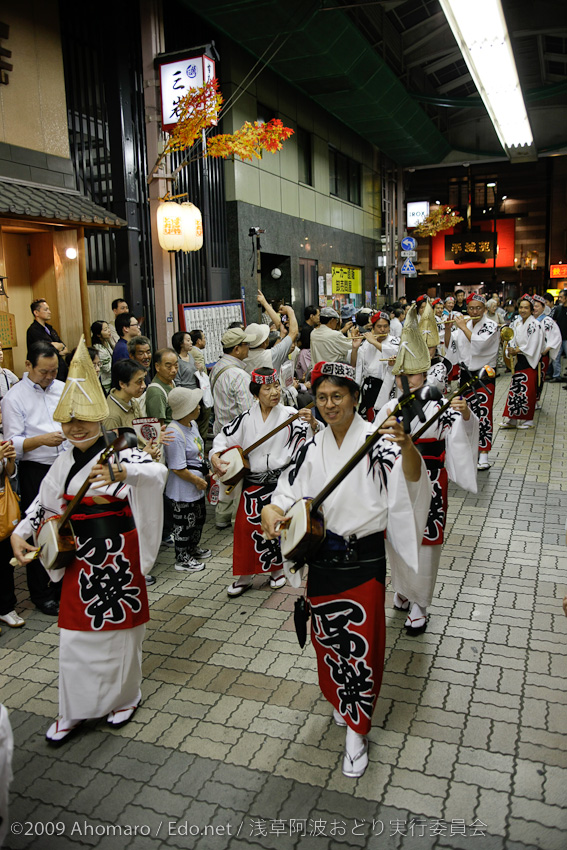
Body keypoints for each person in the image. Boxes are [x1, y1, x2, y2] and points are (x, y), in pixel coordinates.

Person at [261, 360, 430, 779]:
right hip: (321, 559)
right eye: (322, 397)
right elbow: (287, 490)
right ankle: (340, 700)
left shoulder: (378, 441)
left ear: (355, 398)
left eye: (338, 396)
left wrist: (408, 445)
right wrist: (273, 508)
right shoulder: (310, 447)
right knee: (328, 641)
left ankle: (358, 730)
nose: (330, 404)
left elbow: (411, 479)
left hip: (362, 560)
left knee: (361, 647)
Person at [10, 338, 167, 745]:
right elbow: (44, 508)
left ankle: (125, 697)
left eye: (84, 419)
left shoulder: (122, 452)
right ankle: (74, 710)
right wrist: (20, 533)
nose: (76, 427)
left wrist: (124, 475)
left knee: (124, 635)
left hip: (119, 556)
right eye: (68, 421)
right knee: (76, 637)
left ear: (100, 419)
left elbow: (156, 476)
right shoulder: (62, 462)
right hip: (81, 560)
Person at [377, 305, 478, 635]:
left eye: (414, 374)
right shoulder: (390, 407)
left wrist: (464, 415)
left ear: (425, 373)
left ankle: (421, 602)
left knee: (424, 541)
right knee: (397, 537)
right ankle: (404, 589)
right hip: (397, 480)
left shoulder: (440, 405)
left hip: (431, 480)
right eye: (401, 375)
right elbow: (371, 440)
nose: (407, 380)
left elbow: (459, 435)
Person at [212, 368, 318, 597]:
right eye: (267, 388)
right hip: (253, 484)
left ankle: (277, 571)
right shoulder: (245, 419)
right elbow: (223, 438)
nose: (274, 392)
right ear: (255, 393)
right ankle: (245, 576)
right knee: (245, 529)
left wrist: (313, 424)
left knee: (278, 528)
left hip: (280, 484)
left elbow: (311, 443)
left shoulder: (292, 415)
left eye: (277, 386)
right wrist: (215, 456)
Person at [1, 341, 66, 615]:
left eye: (53, 371)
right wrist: (40, 441)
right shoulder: (14, 398)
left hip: (64, 465)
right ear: (28, 366)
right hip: (35, 470)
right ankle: (42, 593)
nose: (49, 377)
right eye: (43, 372)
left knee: (64, 527)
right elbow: (10, 442)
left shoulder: (62, 389)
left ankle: (64, 585)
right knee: (39, 529)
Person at [446, 293, 500, 469]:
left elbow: (480, 344)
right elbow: (451, 346)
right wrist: (448, 329)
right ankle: (468, 450)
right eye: (471, 308)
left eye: (478, 308)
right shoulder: (465, 324)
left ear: (484, 309)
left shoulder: (491, 325)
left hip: (484, 375)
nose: (474, 311)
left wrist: (462, 327)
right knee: (464, 414)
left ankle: (484, 453)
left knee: (483, 413)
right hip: (465, 376)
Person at [209, 327, 255, 530]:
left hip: (222, 430)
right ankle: (238, 520)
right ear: (237, 349)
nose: (248, 348)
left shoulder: (218, 367)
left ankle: (221, 517)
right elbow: (247, 411)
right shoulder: (239, 375)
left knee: (226, 475)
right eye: (246, 344)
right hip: (237, 434)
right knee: (238, 478)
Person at [165, 388, 211, 573]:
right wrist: (197, 481)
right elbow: (177, 467)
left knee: (198, 520)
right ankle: (182, 558)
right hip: (183, 489)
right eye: (195, 405)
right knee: (184, 524)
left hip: (196, 485)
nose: (199, 407)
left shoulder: (191, 424)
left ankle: (192, 549)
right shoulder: (174, 432)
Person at [501, 295, 543, 429]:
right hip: (519, 359)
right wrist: (511, 349)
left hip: (529, 361)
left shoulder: (535, 324)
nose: (523, 310)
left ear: (531, 310)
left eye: (526, 307)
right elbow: (512, 338)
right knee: (516, 390)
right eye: (521, 307)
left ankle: (528, 420)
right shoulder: (517, 323)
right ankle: (512, 418)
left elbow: (534, 345)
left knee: (528, 391)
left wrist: (518, 350)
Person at [353, 311, 399, 420]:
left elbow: (394, 353)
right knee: (369, 418)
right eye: (379, 326)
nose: (382, 330)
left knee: (385, 418)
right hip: (369, 386)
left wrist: (374, 341)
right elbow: (356, 364)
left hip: (387, 385)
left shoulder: (395, 340)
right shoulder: (366, 343)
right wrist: (355, 348)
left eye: (385, 326)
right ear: (373, 328)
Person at [0, 439, 24, 629]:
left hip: (3, 508)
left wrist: (10, 460)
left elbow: (9, 474)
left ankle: (7, 608)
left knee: (5, 563)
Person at [26, 299, 68, 381]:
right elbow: (47, 349)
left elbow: (64, 347)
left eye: (48, 309)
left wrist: (59, 347)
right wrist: (56, 347)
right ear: (36, 313)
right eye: (46, 310)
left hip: (60, 368)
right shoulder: (33, 330)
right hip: (45, 372)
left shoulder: (49, 328)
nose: (49, 312)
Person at [532, 294, 562, 404]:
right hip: (529, 355)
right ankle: (530, 400)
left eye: (537, 306)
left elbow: (555, 337)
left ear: (543, 308)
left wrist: (546, 349)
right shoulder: (528, 320)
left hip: (541, 355)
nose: (534, 308)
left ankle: (535, 400)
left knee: (539, 378)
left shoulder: (547, 321)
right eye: (533, 306)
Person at [145, 349, 178, 425]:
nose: (174, 370)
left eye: (176, 365)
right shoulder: (156, 392)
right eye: (169, 367)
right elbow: (159, 426)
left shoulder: (170, 381)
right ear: (157, 367)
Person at [90, 320, 113, 393]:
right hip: (106, 383)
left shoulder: (106, 342)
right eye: (105, 330)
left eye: (108, 328)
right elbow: (108, 369)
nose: (109, 331)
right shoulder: (99, 349)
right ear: (98, 334)